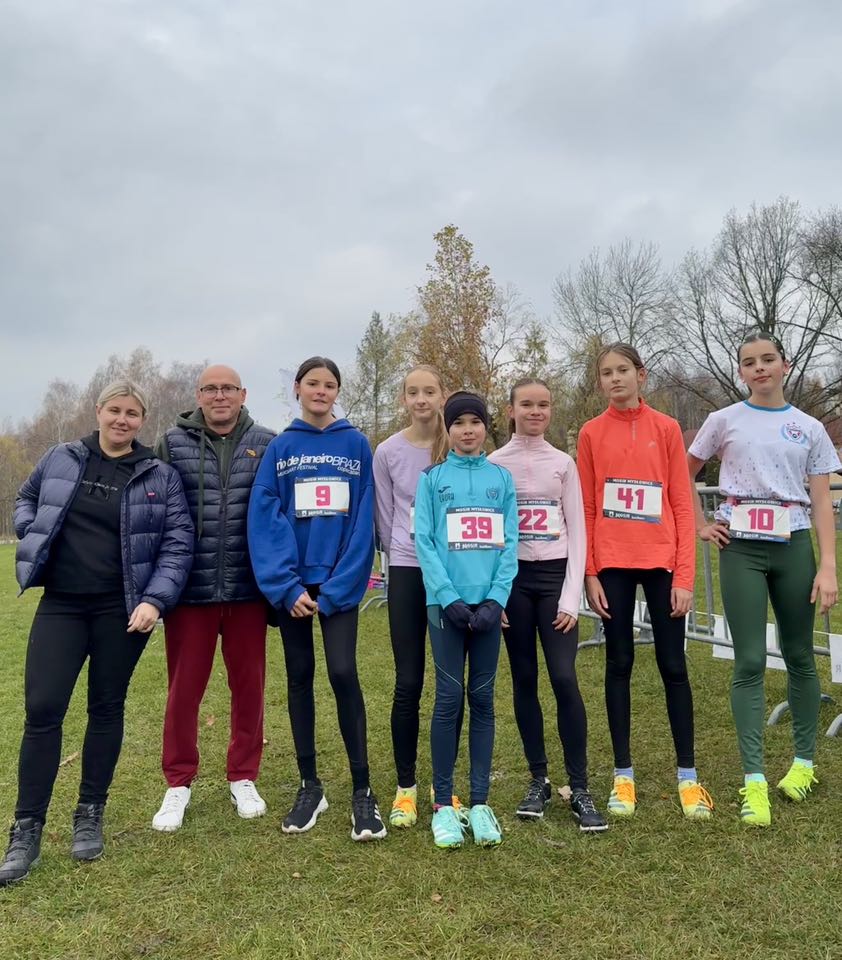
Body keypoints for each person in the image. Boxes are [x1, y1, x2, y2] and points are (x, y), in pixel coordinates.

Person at [0, 381, 193, 887]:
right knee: (43, 712)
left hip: (121, 611)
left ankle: (90, 813)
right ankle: (26, 829)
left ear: (142, 420)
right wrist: (33, 531)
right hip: (61, 605)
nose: (122, 420)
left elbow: (178, 544)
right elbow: (27, 498)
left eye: (132, 413)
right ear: (99, 412)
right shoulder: (62, 457)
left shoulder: (159, 474)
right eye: (115, 410)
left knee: (106, 709)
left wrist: (155, 599)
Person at [687, 331, 840, 827]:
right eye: (749, 362)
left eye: (767, 359)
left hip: (793, 546)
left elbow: (821, 501)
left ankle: (803, 764)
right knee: (749, 659)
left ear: (785, 364)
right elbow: (681, 472)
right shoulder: (723, 420)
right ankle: (754, 781)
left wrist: (827, 565)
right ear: (741, 371)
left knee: (799, 655)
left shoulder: (809, 427)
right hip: (742, 550)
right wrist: (698, 523)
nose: (759, 368)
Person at [248, 357, 386, 841]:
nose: (321, 391)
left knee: (343, 672)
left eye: (330, 385)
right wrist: (287, 587)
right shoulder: (281, 447)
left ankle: (363, 791)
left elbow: (364, 517)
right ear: (298, 389)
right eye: (313, 384)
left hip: (339, 587)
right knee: (300, 677)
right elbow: (267, 516)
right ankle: (310, 786)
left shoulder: (356, 444)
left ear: (337, 391)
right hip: (293, 588)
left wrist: (337, 589)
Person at [577, 344, 713, 821]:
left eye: (623, 371)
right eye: (606, 373)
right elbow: (588, 507)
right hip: (612, 564)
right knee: (619, 663)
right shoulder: (591, 433)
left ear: (641, 375)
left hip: (661, 564)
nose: (615, 379)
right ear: (600, 382)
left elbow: (680, 500)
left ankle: (688, 777)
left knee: (673, 665)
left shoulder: (667, 428)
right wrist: (591, 572)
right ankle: (623, 775)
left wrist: (685, 576)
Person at [151, 365, 276, 832]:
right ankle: (178, 782)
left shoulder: (267, 442)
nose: (219, 396)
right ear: (198, 395)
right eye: (210, 389)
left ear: (243, 394)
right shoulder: (172, 443)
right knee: (184, 691)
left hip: (247, 589)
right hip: (190, 590)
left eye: (228, 388)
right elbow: (154, 508)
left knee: (249, 688)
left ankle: (243, 774)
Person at [489, 379, 607, 832]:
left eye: (543, 405)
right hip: (513, 582)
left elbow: (578, 531)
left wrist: (571, 598)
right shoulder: (495, 464)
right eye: (526, 404)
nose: (535, 411)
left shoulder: (563, 462)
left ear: (550, 410)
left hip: (555, 579)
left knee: (563, 676)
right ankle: (538, 778)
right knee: (524, 679)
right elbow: (492, 536)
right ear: (511, 409)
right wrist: (496, 594)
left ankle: (579, 786)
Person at [414, 391, 518, 849]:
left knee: (484, 699)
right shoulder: (433, 479)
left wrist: (496, 599)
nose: (468, 430)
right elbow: (425, 543)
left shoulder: (502, 478)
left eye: (476, 422)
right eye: (459, 423)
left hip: (489, 609)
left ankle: (478, 803)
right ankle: (442, 807)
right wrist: (448, 597)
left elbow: (511, 544)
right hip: (447, 609)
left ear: (485, 428)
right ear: (448, 429)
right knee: (448, 698)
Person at [373, 365, 467, 828]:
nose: (422, 399)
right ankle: (406, 786)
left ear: (442, 396)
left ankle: (445, 786)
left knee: (451, 685)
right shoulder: (387, 451)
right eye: (413, 392)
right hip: (409, 572)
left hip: (455, 574)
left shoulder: (457, 446)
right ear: (404, 398)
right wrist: (405, 560)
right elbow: (387, 517)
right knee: (408, 681)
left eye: (430, 391)